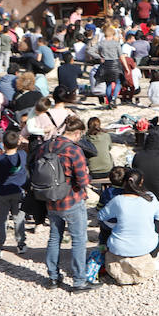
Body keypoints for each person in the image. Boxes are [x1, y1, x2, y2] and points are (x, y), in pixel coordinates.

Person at [41, 114, 93, 292]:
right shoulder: (74, 150)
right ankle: (79, 280)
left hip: (51, 199)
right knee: (78, 239)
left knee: (55, 237)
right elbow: (83, 181)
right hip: (71, 199)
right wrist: (86, 173)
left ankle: (53, 277)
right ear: (77, 133)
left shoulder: (48, 145)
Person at [97, 168, 159, 284]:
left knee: (104, 225)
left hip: (119, 248)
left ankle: (102, 251)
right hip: (147, 246)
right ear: (141, 182)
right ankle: (154, 255)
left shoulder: (118, 200)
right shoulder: (150, 197)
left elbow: (100, 216)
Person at [0, 129, 28, 258]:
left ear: (3, 143)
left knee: (1, 221)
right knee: (18, 219)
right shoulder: (22, 155)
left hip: (1, 193)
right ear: (17, 143)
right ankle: (21, 244)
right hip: (18, 191)